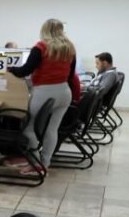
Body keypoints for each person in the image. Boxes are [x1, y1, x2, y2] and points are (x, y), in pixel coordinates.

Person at [7, 18, 77, 174]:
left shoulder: (41, 47)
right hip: (64, 92)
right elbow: (71, 75)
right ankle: (44, 163)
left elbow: (25, 71)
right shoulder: (70, 48)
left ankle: (35, 162)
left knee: (28, 129)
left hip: (44, 92)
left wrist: (10, 69)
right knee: (52, 130)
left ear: (44, 30)